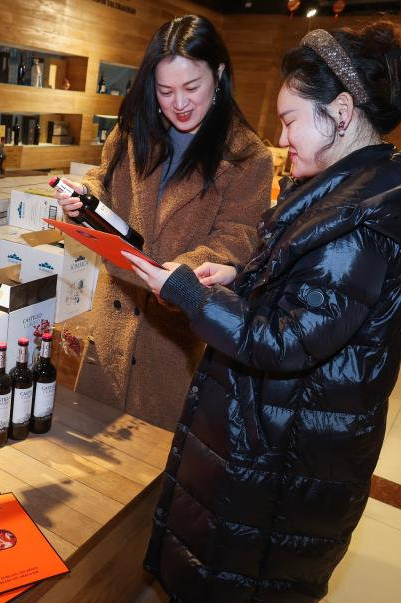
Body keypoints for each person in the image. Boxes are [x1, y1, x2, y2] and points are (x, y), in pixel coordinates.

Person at [124, 21, 401, 603]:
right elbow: (303, 291)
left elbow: (286, 339)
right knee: (243, 560)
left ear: (341, 113)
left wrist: (187, 293)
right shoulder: (352, 187)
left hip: (294, 430)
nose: (282, 137)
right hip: (286, 419)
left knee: (252, 559)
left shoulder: (361, 223)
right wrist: (238, 276)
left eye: (291, 120)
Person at [56, 14, 273, 430]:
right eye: (166, 90)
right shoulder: (133, 131)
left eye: (192, 87)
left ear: (219, 75)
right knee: (94, 439)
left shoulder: (247, 157)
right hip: (114, 314)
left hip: (178, 333)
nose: (179, 103)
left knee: (155, 451)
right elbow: (104, 181)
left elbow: (240, 235)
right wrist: (85, 196)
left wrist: (182, 273)